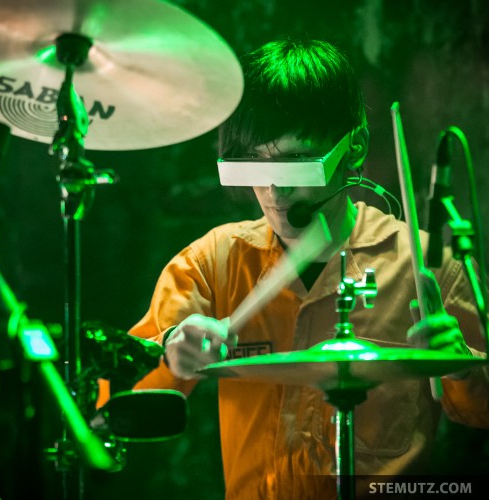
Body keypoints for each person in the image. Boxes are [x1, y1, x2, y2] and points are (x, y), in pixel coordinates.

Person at [125, 39, 489, 498]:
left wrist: (462, 367)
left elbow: (481, 408)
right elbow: (116, 399)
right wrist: (171, 350)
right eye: (252, 164)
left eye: (297, 161)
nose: (273, 191)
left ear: (353, 149)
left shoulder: (428, 263)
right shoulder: (211, 262)